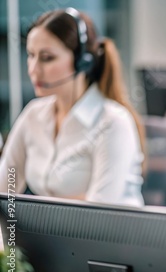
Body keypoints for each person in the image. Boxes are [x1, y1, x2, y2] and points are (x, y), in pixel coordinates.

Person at [0, 8, 146, 207]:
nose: (33, 69)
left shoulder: (113, 123)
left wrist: (36, 211)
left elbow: (98, 212)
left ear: (82, 62)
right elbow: (4, 190)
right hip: (48, 237)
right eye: (31, 55)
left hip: (108, 237)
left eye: (47, 58)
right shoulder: (33, 115)